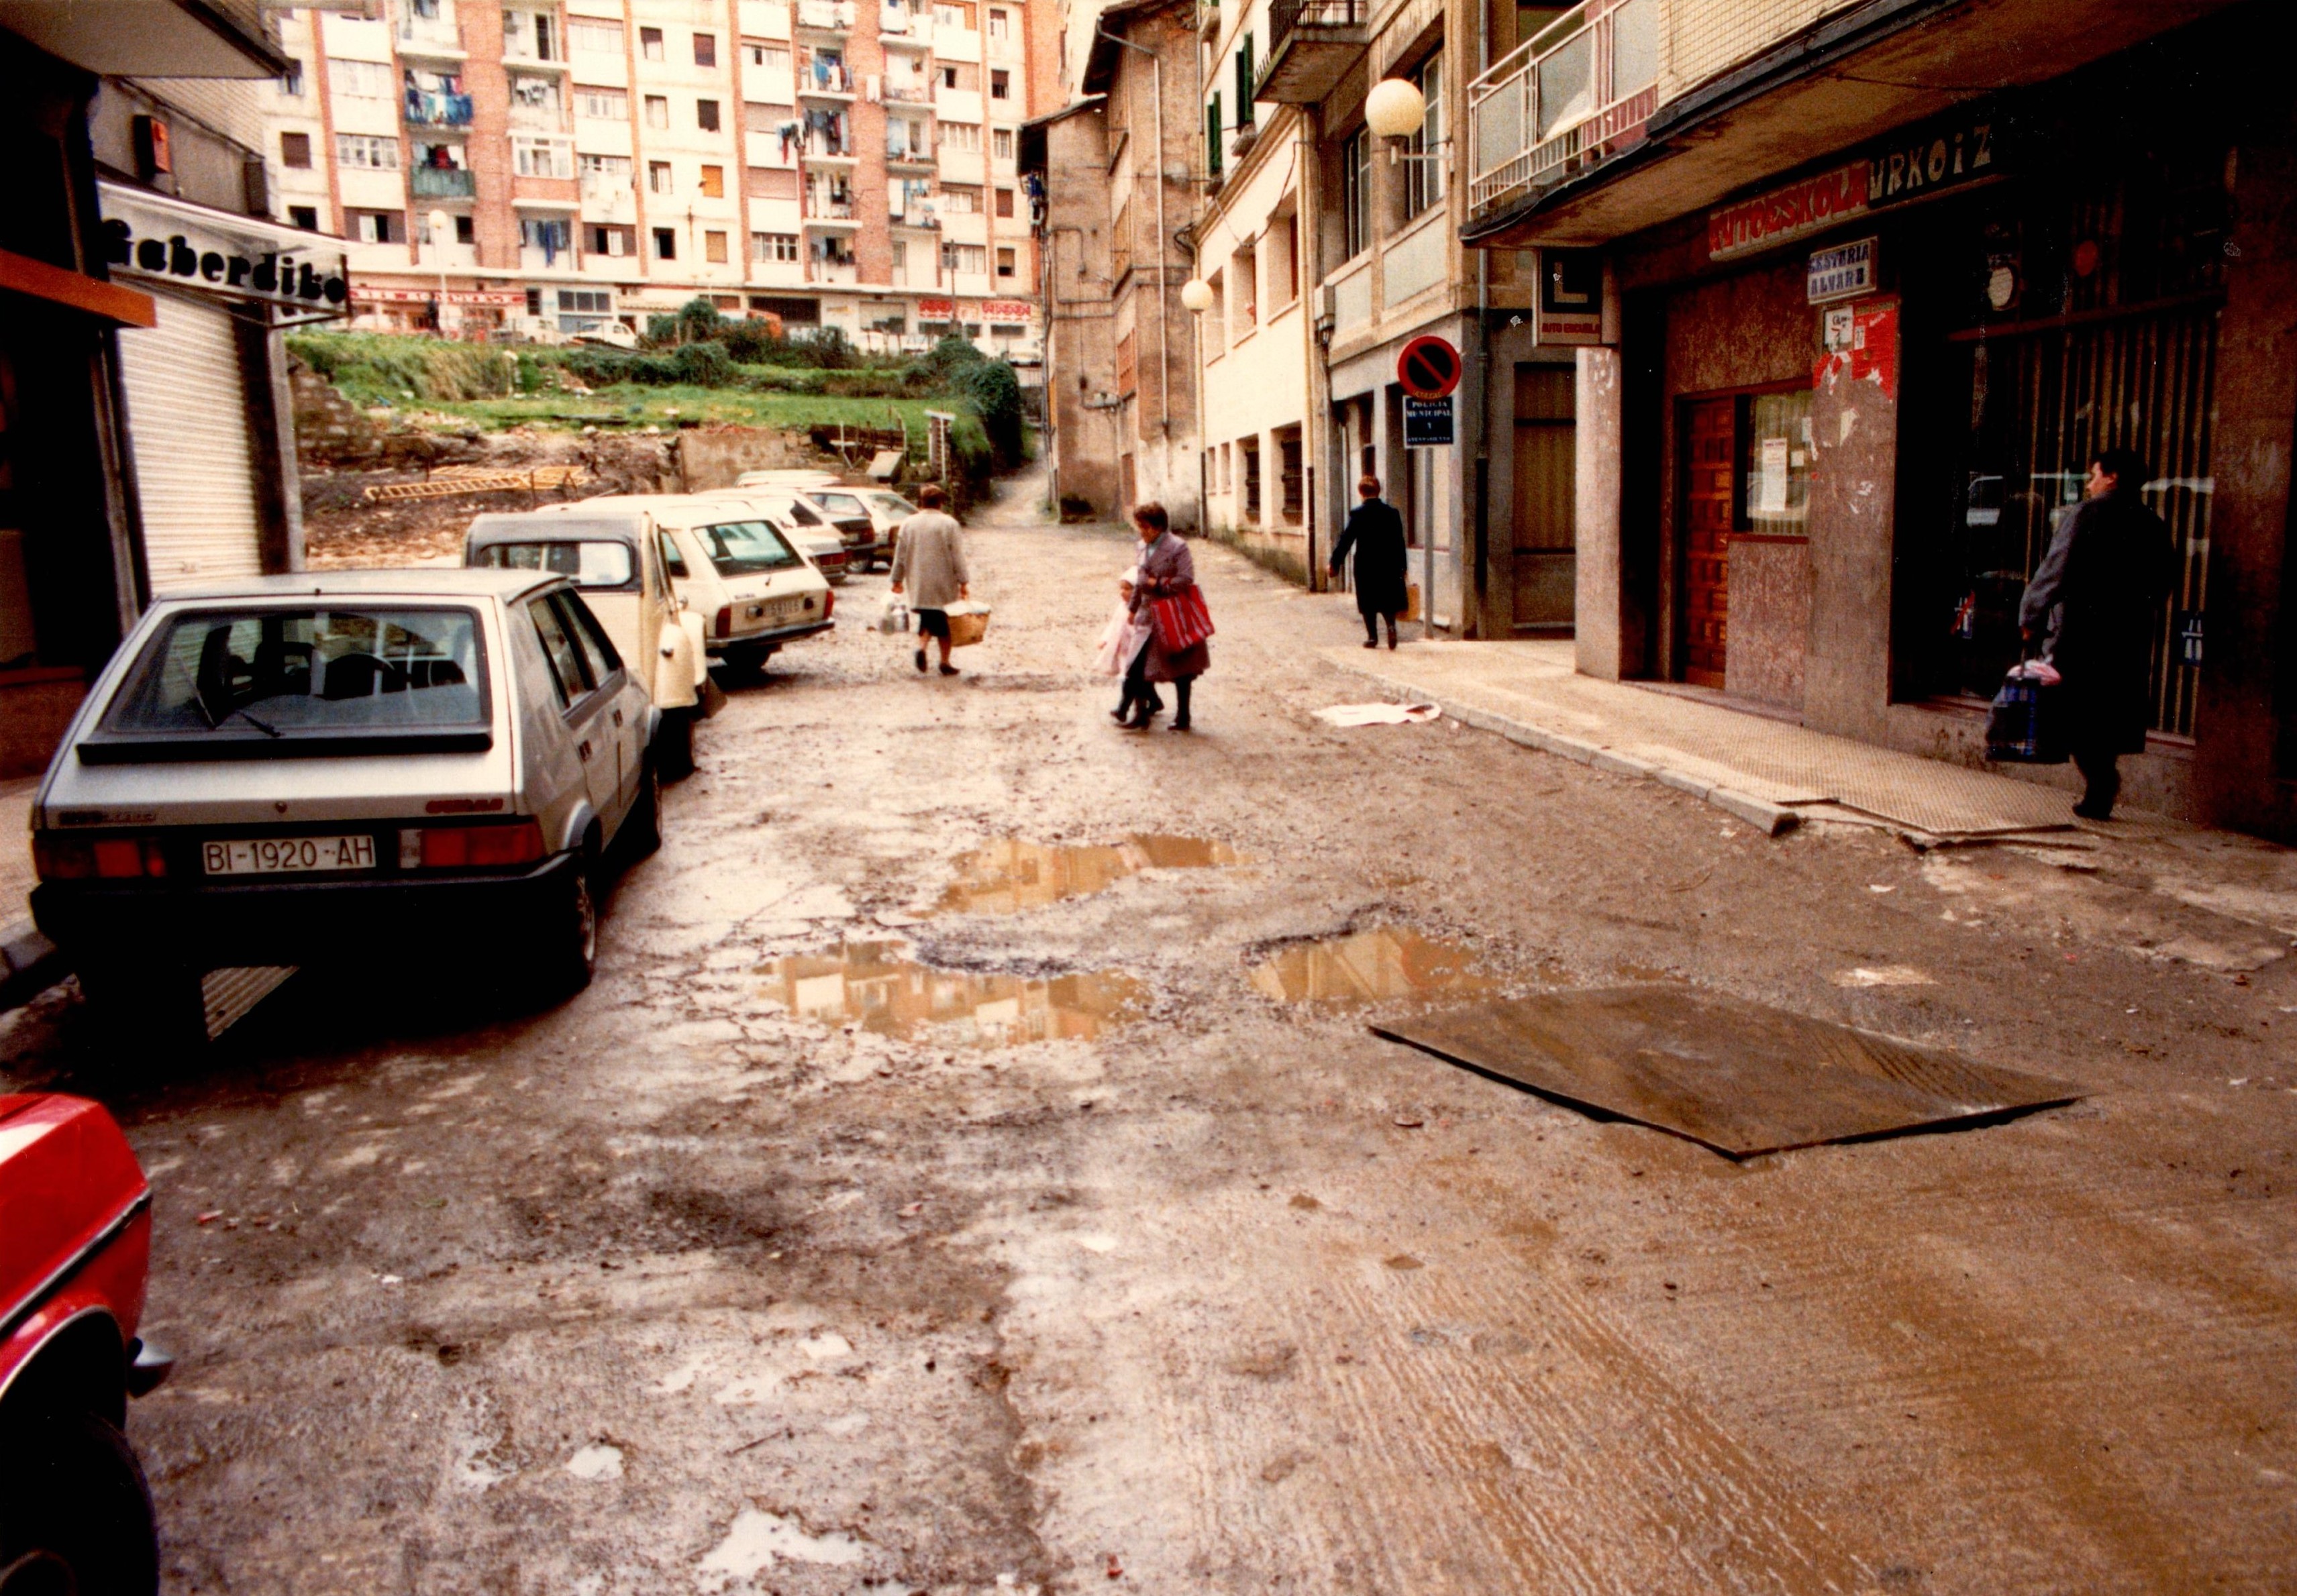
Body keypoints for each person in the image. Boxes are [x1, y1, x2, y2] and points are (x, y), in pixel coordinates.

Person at [2017, 445, 2176, 820]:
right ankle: (2100, 786)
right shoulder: (2151, 521)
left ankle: (2101, 783)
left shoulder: (2088, 514)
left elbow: (2055, 569)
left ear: (2112, 477)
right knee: (2108, 713)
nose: (2089, 484)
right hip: (2129, 636)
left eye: (2094, 475)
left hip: (2083, 633)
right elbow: (2164, 579)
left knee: (2078, 712)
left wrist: (2031, 614)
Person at [1119, 502, 1209, 732]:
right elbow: (1139, 579)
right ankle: (1140, 715)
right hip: (1147, 615)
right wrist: (1132, 608)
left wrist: (1157, 583)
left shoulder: (1178, 547)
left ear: (1157, 527)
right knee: (1136, 666)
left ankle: (1183, 716)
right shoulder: (1141, 546)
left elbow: (1186, 579)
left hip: (1173, 614)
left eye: (1144, 526)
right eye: (1139, 526)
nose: (1141, 531)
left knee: (1182, 669)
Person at [889, 483, 970, 677]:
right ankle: (944, 661)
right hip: (943, 581)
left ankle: (923, 649)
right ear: (941, 502)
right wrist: (964, 582)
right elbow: (957, 555)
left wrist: (897, 579)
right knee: (944, 621)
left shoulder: (909, 523)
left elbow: (900, 555)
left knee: (928, 617)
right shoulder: (949, 524)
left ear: (922, 502)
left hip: (919, 581)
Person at [1329, 474, 1409, 649]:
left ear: (1361, 493)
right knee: (1388, 598)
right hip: (1390, 563)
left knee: (1368, 601)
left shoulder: (1358, 514)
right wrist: (1403, 566)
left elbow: (1346, 540)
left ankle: (1373, 637)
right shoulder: (1392, 513)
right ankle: (1391, 627)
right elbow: (1399, 541)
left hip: (1366, 564)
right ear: (1378, 491)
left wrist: (1335, 563)